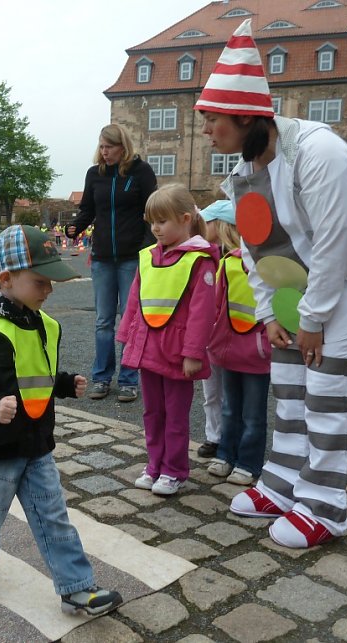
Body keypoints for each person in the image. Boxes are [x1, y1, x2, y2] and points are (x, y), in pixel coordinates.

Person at [195, 19, 347, 547]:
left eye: (212, 120)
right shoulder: (247, 172)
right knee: (289, 383)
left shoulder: (319, 152)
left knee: (326, 389)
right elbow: (258, 250)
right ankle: (286, 481)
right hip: (309, 286)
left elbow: (335, 243)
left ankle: (324, 505)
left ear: (246, 116)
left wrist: (312, 321)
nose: (206, 130)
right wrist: (272, 315)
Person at [0, 224, 122, 616]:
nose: (49, 290)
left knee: (53, 516)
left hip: (35, 443)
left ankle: (77, 587)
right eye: (41, 282)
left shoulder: (42, 322)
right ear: (6, 279)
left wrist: (61, 383)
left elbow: (31, 374)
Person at [116, 184, 218, 495]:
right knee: (152, 412)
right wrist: (127, 338)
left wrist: (193, 353)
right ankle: (154, 464)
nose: (156, 228)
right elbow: (135, 301)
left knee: (175, 416)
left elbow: (203, 313)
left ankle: (175, 470)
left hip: (176, 352)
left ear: (186, 218)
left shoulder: (200, 261)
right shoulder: (147, 257)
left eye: (162, 221)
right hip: (148, 348)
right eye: (151, 221)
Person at [66, 124, 157, 403]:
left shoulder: (141, 172)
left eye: (110, 147)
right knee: (103, 321)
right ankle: (102, 378)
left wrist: (147, 248)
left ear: (123, 147)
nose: (104, 152)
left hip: (132, 257)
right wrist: (75, 228)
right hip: (103, 258)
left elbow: (151, 211)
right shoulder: (95, 174)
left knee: (128, 320)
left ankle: (129, 380)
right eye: (102, 146)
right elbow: (88, 210)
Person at [204, 206, 271, 487]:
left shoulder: (271, 266)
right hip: (230, 350)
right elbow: (217, 305)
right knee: (230, 407)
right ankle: (225, 454)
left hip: (257, 353)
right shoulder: (229, 262)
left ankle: (248, 462)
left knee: (253, 413)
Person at [196, 200, 233, 459]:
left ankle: (229, 436)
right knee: (211, 391)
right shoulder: (204, 257)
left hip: (231, 335)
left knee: (230, 391)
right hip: (210, 336)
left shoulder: (235, 259)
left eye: (206, 222)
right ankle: (214, 435)